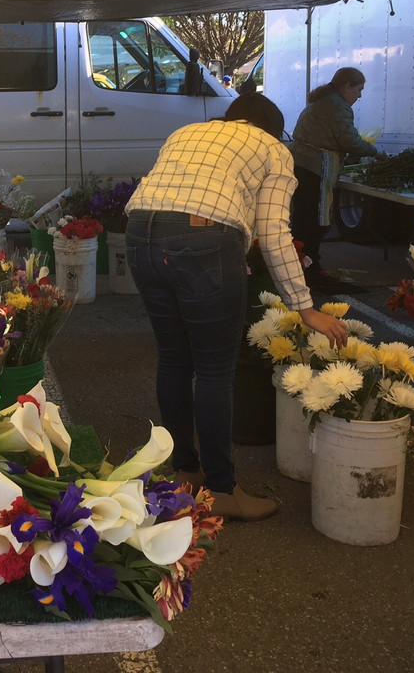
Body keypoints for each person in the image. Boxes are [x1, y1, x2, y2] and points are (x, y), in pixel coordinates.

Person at [124, 93, 348, 522]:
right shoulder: (273, 149)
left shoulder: (186, 132)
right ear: (272, 129)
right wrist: (305, 308)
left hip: (139, 234)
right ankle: (222, 490)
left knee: (173, 360)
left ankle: (185, 472)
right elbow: (275, 232)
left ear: (232, 118)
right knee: (213, 370)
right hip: (205, 238)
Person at [289, 67, 377, 276]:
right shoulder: (337, 106)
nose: (359, 95)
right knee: (315, 219)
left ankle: (299, 263)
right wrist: (375, 151)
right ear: (346, 86)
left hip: (302, 164)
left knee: (303, 217)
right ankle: (310, 265)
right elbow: (349, 140)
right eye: (358, 89)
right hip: (315, 167)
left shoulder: (321, 101)